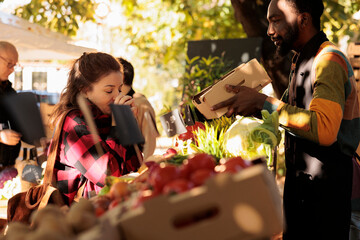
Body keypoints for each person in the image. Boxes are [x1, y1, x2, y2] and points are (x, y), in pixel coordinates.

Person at [211, 0, 360, 239]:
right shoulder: (299, 60)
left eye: (276, 20)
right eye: (269, 22)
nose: (270, 31)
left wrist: (262, 103)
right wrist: (252, 107)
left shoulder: (328, 59)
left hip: (326, 197)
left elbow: (324, 130)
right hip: (302, 191)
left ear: (303, 19)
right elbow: (290, 114)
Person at [49, 52, 142, 205]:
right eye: (108, 90)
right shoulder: (74, 122)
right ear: (84, 89)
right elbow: (110, 176)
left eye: (119, 89)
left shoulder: (105, 118)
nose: (116, 96)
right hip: (79, 217)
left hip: (112, 208)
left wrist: (128, 125)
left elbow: (136, 165)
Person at [118, 57, 159, 160]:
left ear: (121, 77)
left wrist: (143, 167)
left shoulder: (140, 104)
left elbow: (150, 140)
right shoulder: (113, 102)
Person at [0, 41, 21, 169]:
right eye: (9, 64)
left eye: (14, 65)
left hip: (8, 166)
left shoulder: (10, 91)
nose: (12, 70)